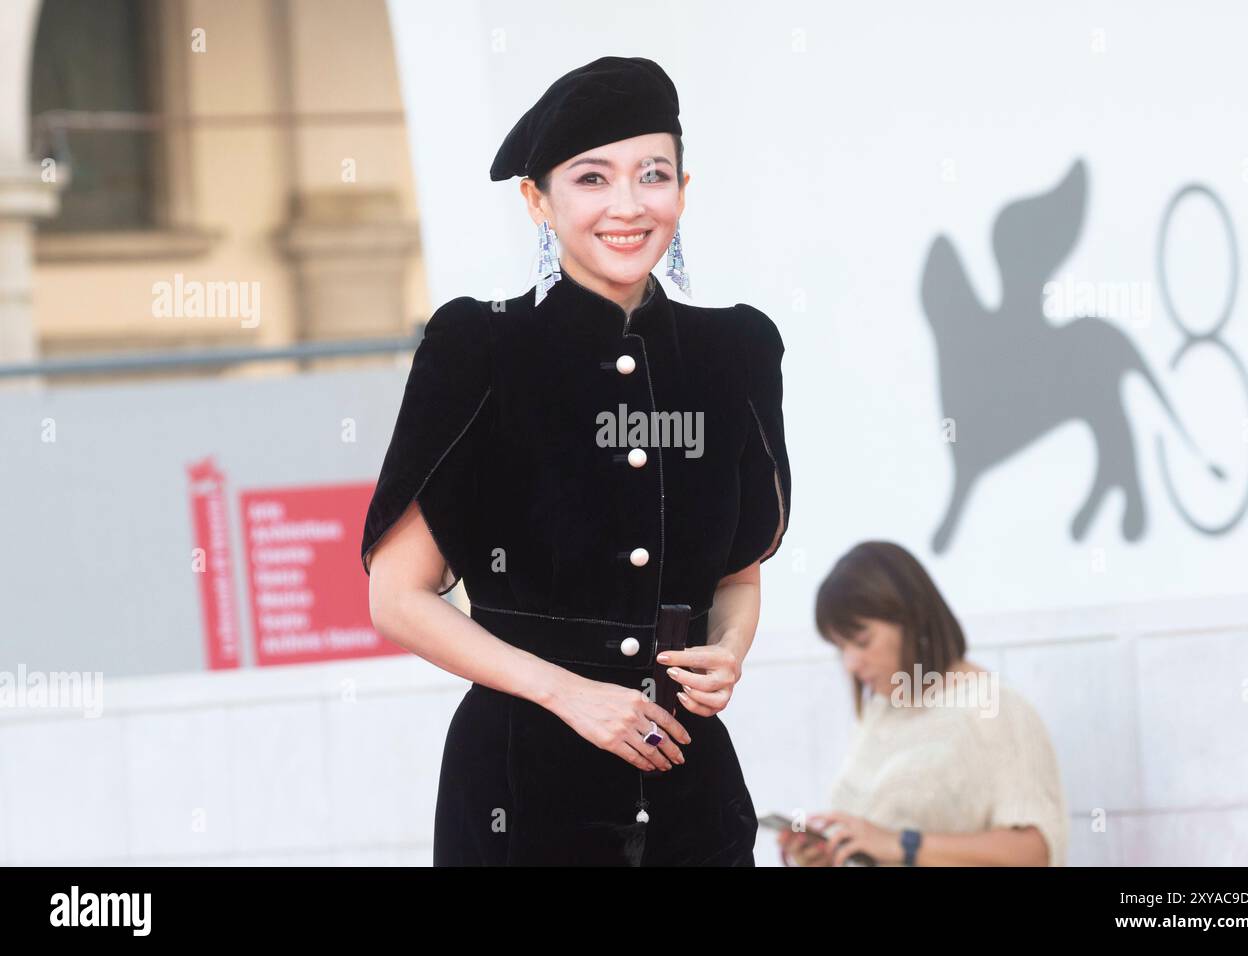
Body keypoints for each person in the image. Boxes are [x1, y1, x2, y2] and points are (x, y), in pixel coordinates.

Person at [361, 56, 792, 866]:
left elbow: (737, 575)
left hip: (689, 794)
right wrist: (570, 695)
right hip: (524, 796)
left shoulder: (735, 351)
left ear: (683, 191)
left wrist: (727, 652)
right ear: (539, 201)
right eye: (592, 179)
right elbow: (397, 599)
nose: (628, 205)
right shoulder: (478, 350)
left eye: (652, 175)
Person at [777, 541, 1068, 866]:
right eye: (841, 648)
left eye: (862, 641)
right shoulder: (882, 712)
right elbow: (874, 846)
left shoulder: (994, 707)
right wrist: (832, 855)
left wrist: (903, 844)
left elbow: (1035, 853)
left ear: (912, 619)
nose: (851, 665)